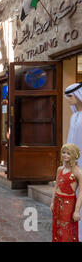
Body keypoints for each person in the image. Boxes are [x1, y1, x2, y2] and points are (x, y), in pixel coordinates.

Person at [50, 144, 82, 242]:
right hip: (57, 202)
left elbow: (81, 192)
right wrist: (52, 202)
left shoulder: (78, 172)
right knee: (57, 227)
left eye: (68, 153)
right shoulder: (60, 169)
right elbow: (56, 187)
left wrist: (77, 210)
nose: (65, 155)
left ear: (74, 155)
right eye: (63, 152)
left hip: (69, 204)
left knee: (66, 229)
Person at [64, 82, 82, 241]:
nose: (68, 100)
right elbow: (71, 142)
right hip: (74, 164)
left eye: (70, 96)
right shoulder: (74, 116)